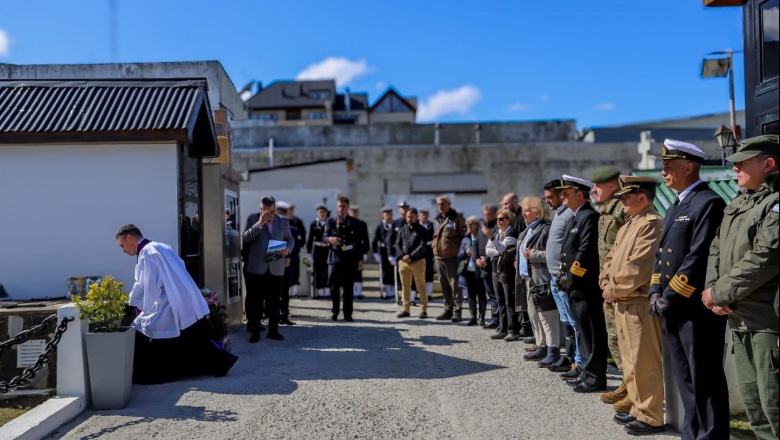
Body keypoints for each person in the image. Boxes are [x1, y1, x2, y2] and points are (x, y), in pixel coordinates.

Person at [649, 139, 728, 440]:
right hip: (672, 308)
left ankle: (710, 435)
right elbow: (662, 256)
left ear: (688, 167)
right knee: (685, 379)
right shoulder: (675, 206)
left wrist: (668, 296)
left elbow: (697, 257)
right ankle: (691, 432)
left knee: (704, 379)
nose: (664, 172)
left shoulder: (708, 202)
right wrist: (655, 292)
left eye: (669, 167)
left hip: (694, 309)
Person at [703, 135, 779, 440]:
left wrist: (720, 293)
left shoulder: (775, 204)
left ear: (769, 164)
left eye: (743, 164)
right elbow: (716, 249)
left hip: (766, 324)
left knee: (774, 407)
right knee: (754, 408)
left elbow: (765, 257)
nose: (735, 170)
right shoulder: (740, 201)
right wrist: (712, 291)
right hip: (739, 317)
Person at [117, 224, 237, 384]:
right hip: (184, 300)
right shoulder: (161, 246)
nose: (123, 251)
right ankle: (219, 363)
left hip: (169, 303)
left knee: (144, 331)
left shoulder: (146, 254)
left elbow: (146, 286)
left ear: (130, 239)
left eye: (122, 245)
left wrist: (131, 306)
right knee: (192, 338)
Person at [600, 176, 665, 435]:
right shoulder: (630, 223)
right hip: (621, 300)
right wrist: (606, 281)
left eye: (626, 197)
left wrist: (612, 288)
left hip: (637, 300)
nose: (622, 201)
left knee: (644, 362)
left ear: (642, 197)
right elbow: (611, 256)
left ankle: (651, 415)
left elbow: (639, 267)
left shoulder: (652, 224)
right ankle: (638, 407)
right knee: (630, 360)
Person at [556, 175, 608, 393]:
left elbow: (585, 252)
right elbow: (567, 251)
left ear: (580, 194)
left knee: (591, 333)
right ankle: (586, 372)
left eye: (566, 193)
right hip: (575, 287)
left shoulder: (588, 217)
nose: (562, 197)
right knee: (583, 332)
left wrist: (572, 277)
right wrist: (562, 273)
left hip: (585, 286)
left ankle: (595, 377)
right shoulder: (575, 217)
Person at [589, 166, 628, 404]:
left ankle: (633, 388)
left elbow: (626, 253)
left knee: (624, 341)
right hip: (607, 286)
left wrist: (614, 284)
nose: (593, 191)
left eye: (597, 186)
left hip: (620, 289)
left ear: (612, 186)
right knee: (614, 339)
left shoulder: (623, 211)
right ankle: (627, 383)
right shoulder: (606, 211)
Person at [242, 195, 294, 343]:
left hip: (275, 265)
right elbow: (245, 238)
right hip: (257, 266)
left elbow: (290, 239)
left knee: (274, 301)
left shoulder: (283, 220)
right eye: (265, 211)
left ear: (275, 209)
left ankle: (273, 330)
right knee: (256, 300)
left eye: (271, 211)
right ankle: (255, 331)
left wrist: (287, 250)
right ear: (261, 209)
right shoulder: (253, 218)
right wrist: (259, 223)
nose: (268, 214)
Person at [542, 180, 580, 378]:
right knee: (565, 320)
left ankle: (579, 361)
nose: (548, 201)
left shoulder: (571, 214)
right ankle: (570, 356)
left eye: (551, 197)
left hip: (565, 276)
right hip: (554, 276)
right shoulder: (558, 213)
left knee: (574, 322)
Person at [516, 197, 561, 366]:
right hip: (529, 279)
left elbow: (554, 254)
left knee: (547, 317)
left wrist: (533, 255)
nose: (523, 214)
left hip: (541, 279)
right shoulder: (528, 229)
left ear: (538, 212)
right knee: (534, 315)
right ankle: (541, 346)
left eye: (527, 210)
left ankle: (553, 350)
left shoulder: (546, 228)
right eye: (523, 210)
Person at [324, 196, 364, 322]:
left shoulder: (355, 222)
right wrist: (330, 239)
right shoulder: (331, 221)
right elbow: (324, 236)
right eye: (339, 206)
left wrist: (360, 259)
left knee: (348, 287)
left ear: (348, 207)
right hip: (335, 257)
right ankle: (335, 311)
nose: (341, 208)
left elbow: (359, 243)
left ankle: (348, 314)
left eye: (343, 206)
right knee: (334, 287)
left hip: (350, 258)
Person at [485, 208, 520, 341]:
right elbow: (488, 250)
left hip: (507, 270)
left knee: (509, 300)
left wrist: (494, 241)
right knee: (500, 300)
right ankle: (503, 327)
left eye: (501, 219)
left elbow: (502, 249)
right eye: (497, 219)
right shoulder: (498, 233)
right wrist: (497, 250)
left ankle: (513, 330)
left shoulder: (512, 233)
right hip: (496, 269)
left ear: (508, 220)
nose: (498, 221)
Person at [432, 195, 467, 322]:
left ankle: (457, 311)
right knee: (444, 284)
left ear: (449, 204)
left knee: (455, 285)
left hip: (452, 257)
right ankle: (448, 309)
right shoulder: (437, 219)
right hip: (439, 257)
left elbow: (464, 237)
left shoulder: (457, 218)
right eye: (439, 204)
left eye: (443, 204)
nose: (440, 206)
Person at [502, 193, 530, 336]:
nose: (504, 206)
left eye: (506, 203)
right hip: (511, 264)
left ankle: (526, 326)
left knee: (523, 296)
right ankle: (516, 326)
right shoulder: (511, 218)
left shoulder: (521, 218)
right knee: (514, 297)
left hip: (520, 262)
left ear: (514, 202)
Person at [395, 208, 429, 318]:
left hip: (417, 261)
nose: (410, 219)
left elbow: (423, 245)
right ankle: (406, 309)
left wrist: (411, 256)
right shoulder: (402, 229)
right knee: (405, 286)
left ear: (416, 217)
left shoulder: (422, 230)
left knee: (421, 286)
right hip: (403, 262)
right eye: (408, 217)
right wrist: (402, 256)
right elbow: (397, 244)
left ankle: (423, 310)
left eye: (412, 217)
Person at [475, 204, 500, 328]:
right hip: (482, 267)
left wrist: (487, 259)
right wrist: (476, 259)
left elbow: (498, 246)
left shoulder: (497, 227)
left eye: (489, 215)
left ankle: (497, 320)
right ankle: (494, 319)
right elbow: (476, 244)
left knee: (496, 295)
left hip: (493, 266)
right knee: (490, 295)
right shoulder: (482, 228)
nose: (486, 217)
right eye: (485, 215)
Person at [459, 216, 487, 326]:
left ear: (477, 225)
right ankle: (473, 317)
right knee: (471, 295)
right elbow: (459, 255)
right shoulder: (466, 239)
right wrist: (465, 252)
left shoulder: (482, 237)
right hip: (469, 271)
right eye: (467, 225)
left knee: (481, 295)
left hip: (481, 271)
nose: (468, 227)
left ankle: (482, 317)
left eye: (470, 224)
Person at [276, 201, 298, 325]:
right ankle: (273, 314)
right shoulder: (271, 231)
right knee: (273, 291)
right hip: (273, 265)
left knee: (285, 291)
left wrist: (289, 258)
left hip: (287, 265)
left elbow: (296, 248)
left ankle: (284, 314)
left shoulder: (293, 231)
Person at [306, 204, 331, 299]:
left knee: (328, 269)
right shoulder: (314, 224)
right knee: (318, 270)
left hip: (327, 249)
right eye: (320, 212)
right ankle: (320, 291)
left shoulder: (329, 223)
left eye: (323, 212)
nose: (322, 214)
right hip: (318, 250)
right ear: (317, 213)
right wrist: (309, 252)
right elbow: (310, 239)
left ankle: (327, 290)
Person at [372, 207, 396, 299]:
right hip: (383, 251)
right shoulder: (380, 226)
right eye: (386, 215)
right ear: (383, 215)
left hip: (394, 251)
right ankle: (388, 292)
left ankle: (394, 291)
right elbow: (374, 241)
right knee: (385, 271)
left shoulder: (395, 224)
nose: (388, 216)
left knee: (393, 271)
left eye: (390, 214)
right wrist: (375, 253)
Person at [349, 206, 370, 300]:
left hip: (358, 251)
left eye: (356, 212)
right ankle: (349, 292)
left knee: (358, 271)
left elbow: (365, 239)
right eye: (352, 211)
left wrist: (365, 252)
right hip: (348, 251)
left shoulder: (361, 224)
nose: (354, 213)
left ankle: (357, 292)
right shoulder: (346, 222)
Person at [419, 208, 436, 301]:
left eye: (425, 215)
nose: (424, 217)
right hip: (419, 250)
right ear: (419, 216)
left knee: (429, 272)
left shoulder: (432, 225)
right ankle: (421, 293)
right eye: (422, 215)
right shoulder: (418, 225)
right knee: (420, 272)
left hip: (429, 250)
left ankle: (429, 294)